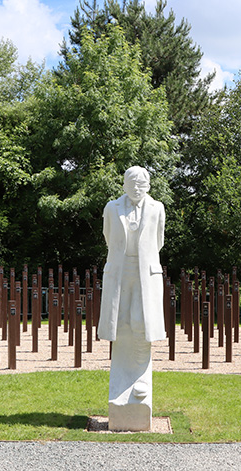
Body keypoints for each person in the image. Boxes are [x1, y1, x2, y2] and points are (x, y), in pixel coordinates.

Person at [99, 166, 166, 431]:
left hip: (145, 272)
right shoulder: (111, 208)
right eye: (132, 184)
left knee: (141, 320)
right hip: (120, 270)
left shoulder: (157, 208)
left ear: (148, 186)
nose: (137, 188)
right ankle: (123, 382)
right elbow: (108, 237)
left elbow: (157, 241)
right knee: (121, 320)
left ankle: (139, 376)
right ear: (125, 185)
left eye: (142, 184)